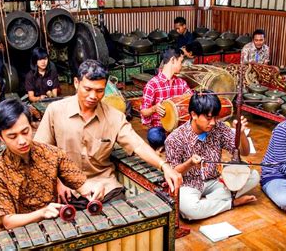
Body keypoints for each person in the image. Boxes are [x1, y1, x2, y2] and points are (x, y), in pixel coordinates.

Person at [34, 59, 182, 204]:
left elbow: (138, 145)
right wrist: (57, 182)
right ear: (76, 83)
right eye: (88, 89)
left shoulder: (114, 117)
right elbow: (40, 152)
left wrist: (164, 166)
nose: (93, 96)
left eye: (99, 91)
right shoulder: (55, 111)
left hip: (105, 187)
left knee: (125, 219)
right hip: (67, 189)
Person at [0, 99, 104, 229]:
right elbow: (8, 222)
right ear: (1, 137)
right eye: (12, 137)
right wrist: (42, 213)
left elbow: (82, 185)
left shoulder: (52, 154)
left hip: (54, 225)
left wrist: (93, 190)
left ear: (31, 126)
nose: (22, 141)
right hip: (20, 232)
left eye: (25, 132)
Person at [165, 91, 259, 220]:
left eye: (216, 117)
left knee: (253, 176)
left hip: (214, 181)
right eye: (209, 118)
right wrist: (190, 163)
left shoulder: (219, 128)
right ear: (194, 115)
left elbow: (244, 152)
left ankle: (209, 203)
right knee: (190, 209)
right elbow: (173, 172)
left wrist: (241, 134)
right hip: (189, 184)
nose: (213, 122)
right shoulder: (175, 138)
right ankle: (230, 203)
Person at [141, 48, 191, 151]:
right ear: (173, 60)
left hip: (179, 128)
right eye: (181, 62)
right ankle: (170, 142)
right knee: (154, 136)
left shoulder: (181, 83)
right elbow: (144, 112)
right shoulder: (152, 84)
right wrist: (154, 109)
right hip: (161, 129)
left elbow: (191, 99)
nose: (182, 65)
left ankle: (171, 142)